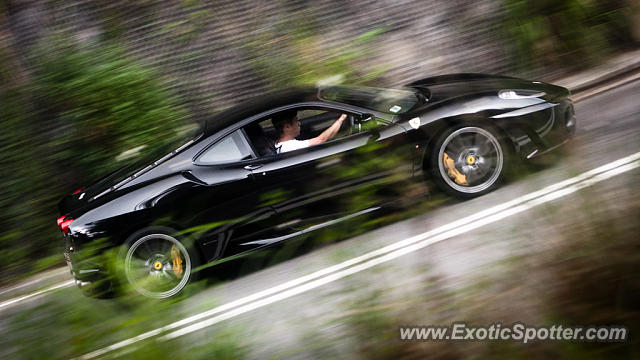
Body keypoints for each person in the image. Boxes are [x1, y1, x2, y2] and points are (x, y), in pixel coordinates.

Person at [273, 110, 347, 153]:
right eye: (296, 121)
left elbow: (326, 138)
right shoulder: (290, 147)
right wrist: (342, 119)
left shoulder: (279, 144)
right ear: (287, 126)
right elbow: (321, 139)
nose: (299, 123)